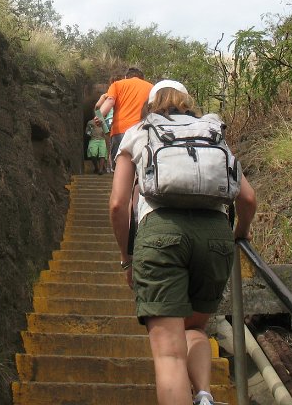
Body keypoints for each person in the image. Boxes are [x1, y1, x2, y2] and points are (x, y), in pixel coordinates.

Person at [108, 79, 257, 405]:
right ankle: (203, 394)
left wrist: (126, 258)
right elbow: (246, 197)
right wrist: (240, 233)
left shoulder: (140, 131)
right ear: (187, 99)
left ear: (150, 103)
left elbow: (119, 204)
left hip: (160, 234)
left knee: (169, 356)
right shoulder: (212, 133)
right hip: (216, 237)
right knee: (195, 330)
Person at [97, 67, 153, 166]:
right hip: (144, 131)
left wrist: (100, 116)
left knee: (119, 166)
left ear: (126, 77)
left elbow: (110, 101)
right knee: (142, 166)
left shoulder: (117, 85)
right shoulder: (151, 87)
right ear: (142, 78)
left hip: (121, 131)